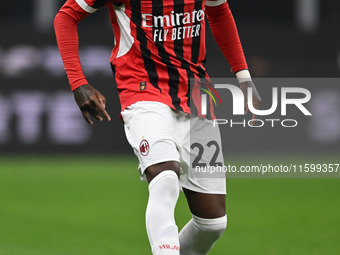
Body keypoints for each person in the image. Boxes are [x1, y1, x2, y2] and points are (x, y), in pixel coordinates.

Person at [54, 0, 261, 254]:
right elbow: (65, 17)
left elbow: (219, 13)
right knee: (165, 177)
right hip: (143, 90)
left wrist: (244, 78)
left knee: (212, 223)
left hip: (197, 95)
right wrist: (78, 82)